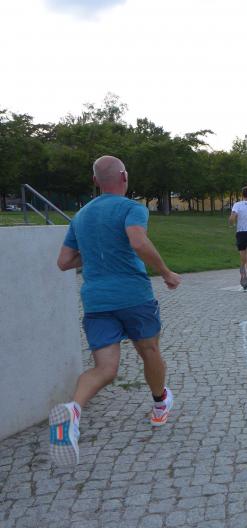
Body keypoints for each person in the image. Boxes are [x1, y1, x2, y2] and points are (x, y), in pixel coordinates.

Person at [51, 155, 182, 467]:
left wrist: (96, 251)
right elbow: (137, 241)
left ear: (95, 181)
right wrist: (165, 272)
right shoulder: (131, 208)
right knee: (149, 350)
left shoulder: (81, 216)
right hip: (132, 296)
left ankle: (73, 411)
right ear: (123, 177)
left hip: (96, 301)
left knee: (105, 369)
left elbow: (64, 262)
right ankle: (159, 405)